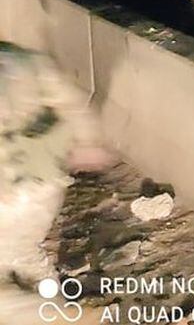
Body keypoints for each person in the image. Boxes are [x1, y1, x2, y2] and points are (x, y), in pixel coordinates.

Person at [1, 45, 114, 323]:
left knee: (13, 259)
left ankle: (58, 316)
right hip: (45, 180)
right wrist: (88, 141)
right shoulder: (20, 58)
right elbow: (71, 100)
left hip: (14, 190)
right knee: (24, 254)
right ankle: (54, 305)